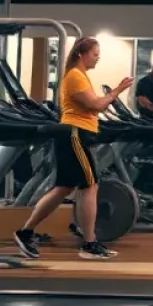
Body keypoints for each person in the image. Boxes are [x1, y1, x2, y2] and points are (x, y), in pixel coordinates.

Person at [14, 37, 132, 260]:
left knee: (64, 187)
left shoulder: (80, 76)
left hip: (77, 134)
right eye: (95, 54)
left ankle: (26, 231)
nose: (97, 58)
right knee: (90, 185)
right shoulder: (75, 76)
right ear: (81, 54)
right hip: (74, 134)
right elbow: (96, 104)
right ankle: (89, 243)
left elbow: (93, 107)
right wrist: (118, 90)